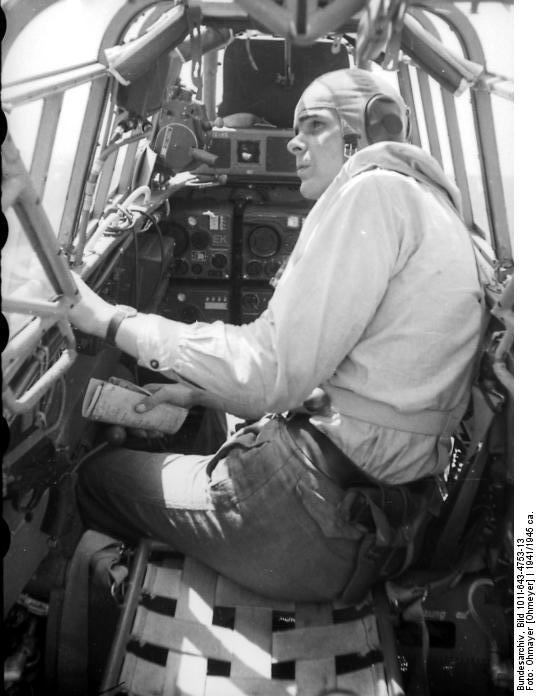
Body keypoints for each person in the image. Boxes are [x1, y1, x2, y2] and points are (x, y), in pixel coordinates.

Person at [68, 67, 482, 603]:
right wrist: (199, 392)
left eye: (313, 125)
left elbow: (267, 374)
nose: (293, 142)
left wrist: (110, 320)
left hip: (308, 515)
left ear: (370, 129)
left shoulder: (373, 192)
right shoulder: (434, 205)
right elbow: (368, 384)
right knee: (206, 419)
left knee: (97, 478)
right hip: (378, 517)